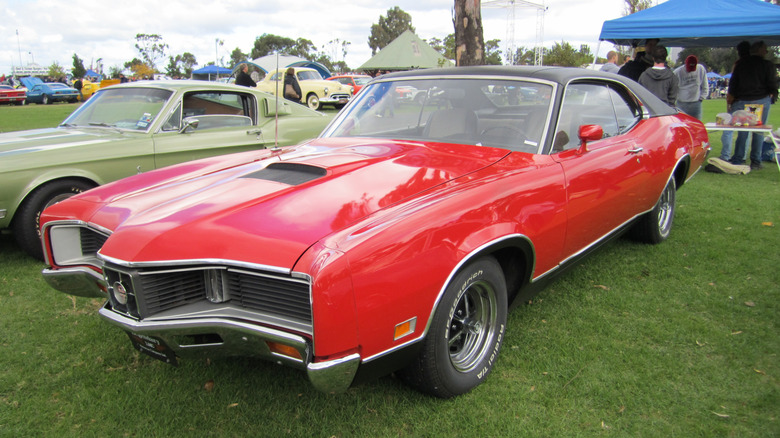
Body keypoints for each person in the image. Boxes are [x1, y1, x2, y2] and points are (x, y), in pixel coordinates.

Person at [727, 40, 779, 170]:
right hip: (761, 100)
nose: (767, 51)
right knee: (759, 131)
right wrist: (773, 94)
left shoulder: (741, 64)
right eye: (765, 49)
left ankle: (738, 158)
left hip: (742, 100)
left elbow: (733, 83)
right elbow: (772, 83)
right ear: (760, 50)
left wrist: (731, 100)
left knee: (743, 131)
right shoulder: (767, 65)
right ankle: (756, 161)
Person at [719, 41, 751, 162]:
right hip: (750, 100)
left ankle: (725, 155)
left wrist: (729, 101)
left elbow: (733, 83)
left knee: (728, 127)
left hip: (738, 99)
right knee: (745, 130)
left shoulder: (738, 64)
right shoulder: (754, 64)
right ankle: (741, 156)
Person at [674, 55, 709, 120]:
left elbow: (705, 84)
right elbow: (673, 88)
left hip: (696, 103)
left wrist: (702, 97)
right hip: (682, 103)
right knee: (681, 125)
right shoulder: (677, 72)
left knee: (697, 126)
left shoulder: (701, 69)